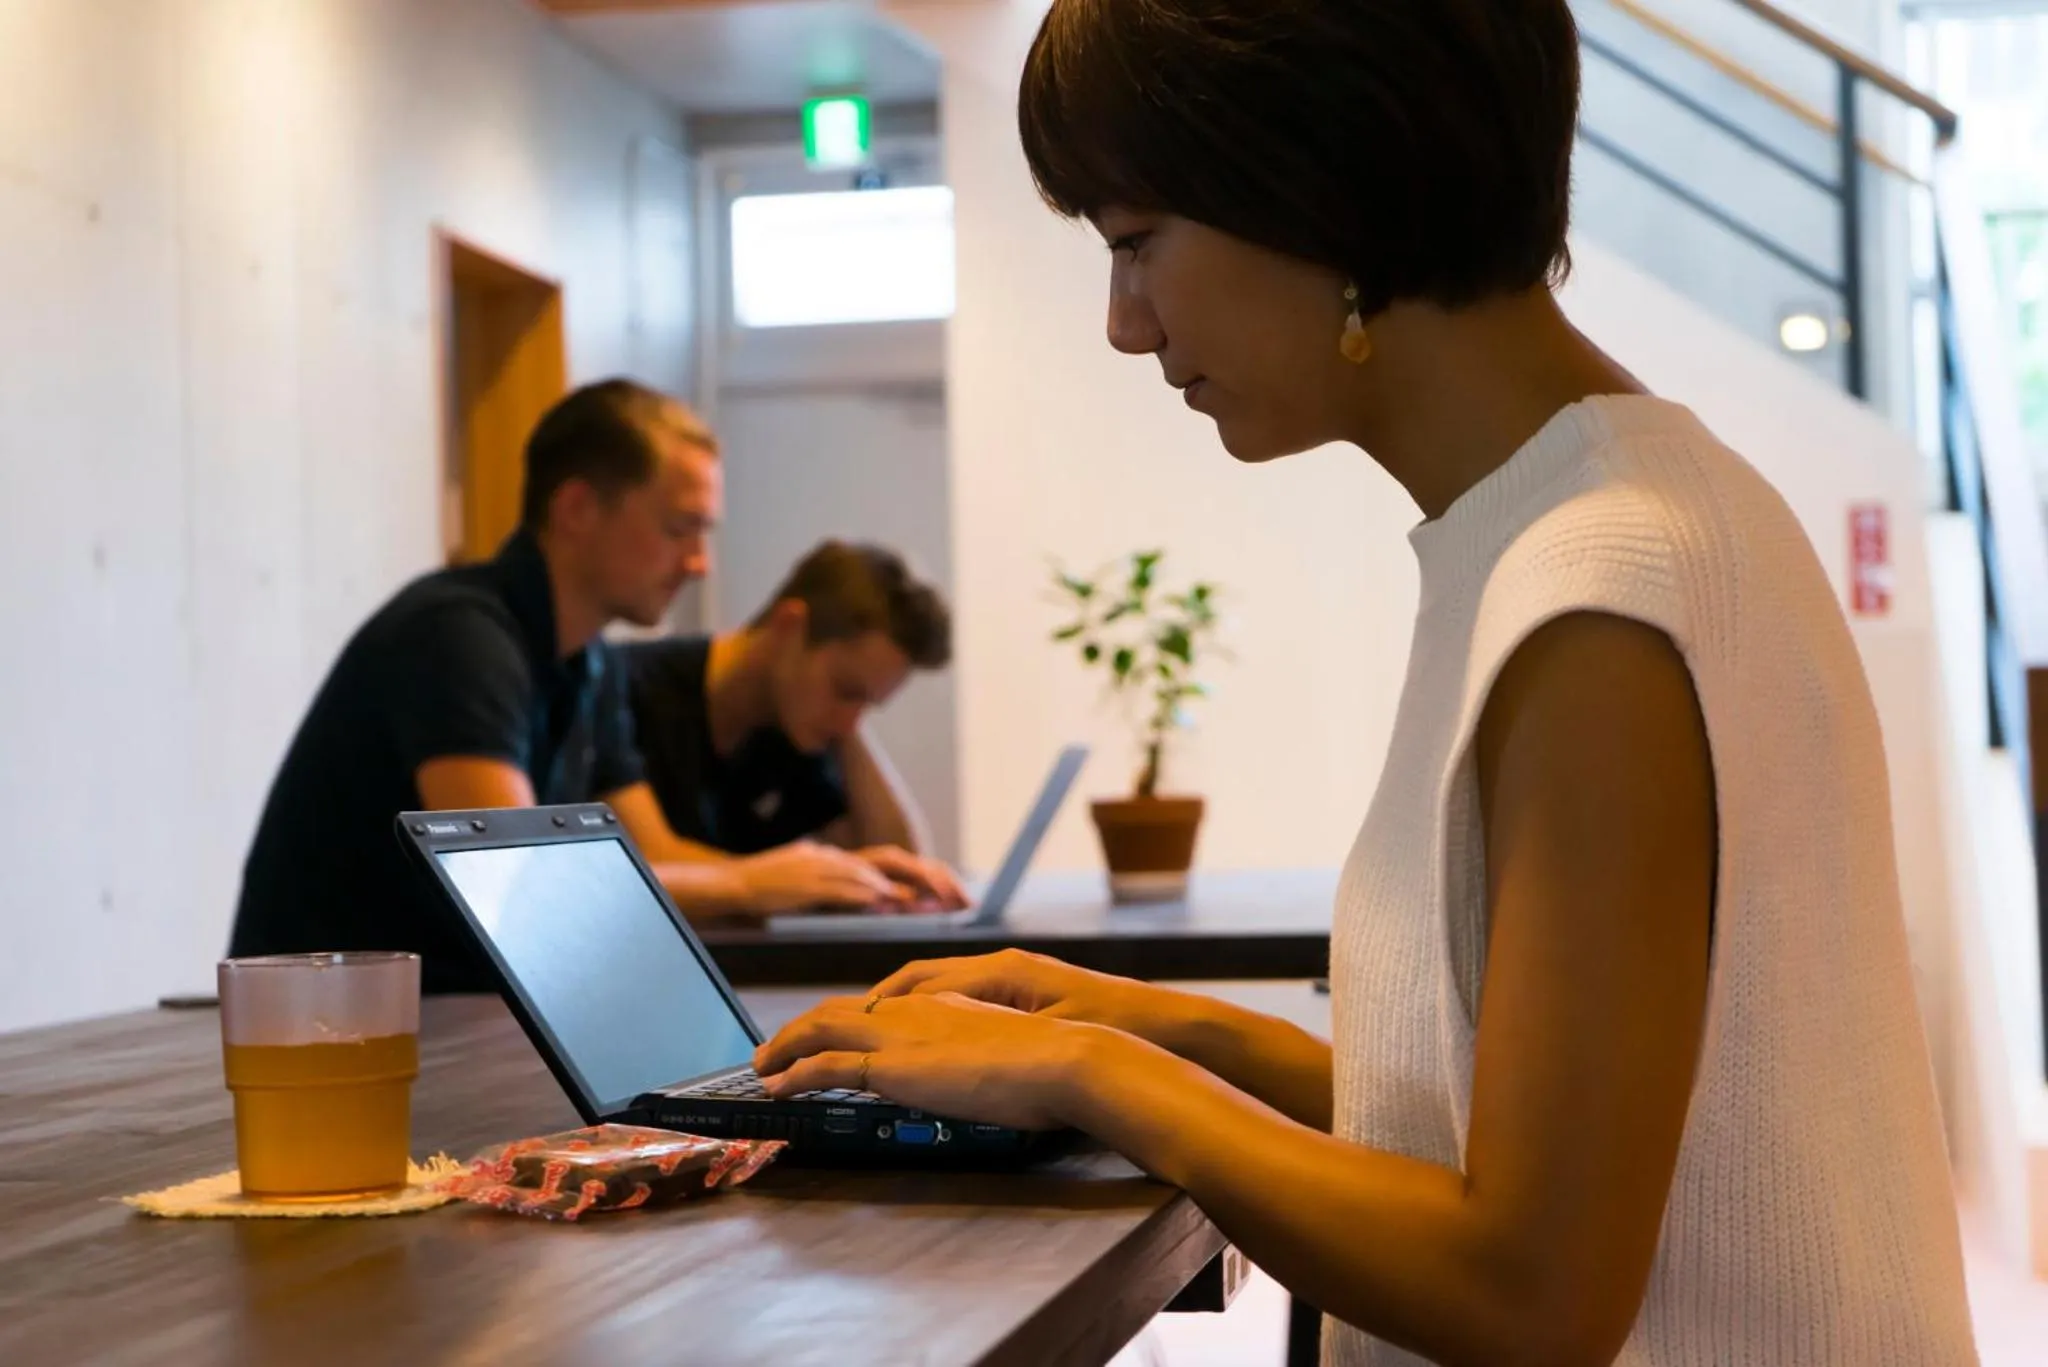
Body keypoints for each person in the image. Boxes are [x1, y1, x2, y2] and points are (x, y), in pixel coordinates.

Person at [749, 3, 1978, 1363]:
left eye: (1135, 242)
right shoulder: (1611, 514)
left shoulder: (1598, 592)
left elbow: (1533, 1292)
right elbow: (1493, 1129)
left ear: (1321, 181)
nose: (1122, 322)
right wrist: (1143, 1019)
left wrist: (1088, 1070)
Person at [229, 380, 957, 995]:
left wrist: (802, 875)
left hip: (449, 1015)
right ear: (577, 509)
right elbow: (518, 886)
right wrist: (752, 884)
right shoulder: (457, 636)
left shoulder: (592, 666)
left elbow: (646, 860)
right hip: (334, 1034)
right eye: (680, 528)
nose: (700, 562)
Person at [617, 540, 965, 904]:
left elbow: (900, 865)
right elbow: (649, 862)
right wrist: (773, 883)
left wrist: (851, 733)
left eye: (868, 704)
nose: (848, 723)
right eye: (846, 690)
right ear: (789, 626)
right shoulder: (627, 687)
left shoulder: (797, 729)